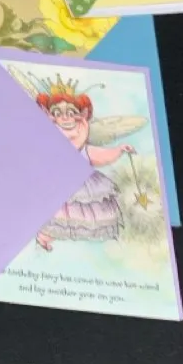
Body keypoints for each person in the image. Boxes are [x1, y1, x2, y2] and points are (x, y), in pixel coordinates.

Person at [34, 79, 134, 252]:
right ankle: (44, 236)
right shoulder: (48, 141)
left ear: (81, 115)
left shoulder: (83, 142)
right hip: (54, 182)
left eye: (71, 112)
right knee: (52, 212)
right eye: (57, 112)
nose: (65, 117)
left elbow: (98, 155)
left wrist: (119, 149)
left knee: (87, 212)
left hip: (83, 184)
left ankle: (104, 246)